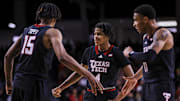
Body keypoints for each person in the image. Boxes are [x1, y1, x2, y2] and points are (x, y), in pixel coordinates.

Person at [4, 2, 103, 101]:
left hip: (18, 82)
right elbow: (62, 57)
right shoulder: (52, 32)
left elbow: (8, 56)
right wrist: (88, 74)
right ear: (55, 18)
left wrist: (9, 83)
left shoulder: (26, 31)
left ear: (39, 16)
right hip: (35, 83)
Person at [52, 22, 137, 101]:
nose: (95, 36)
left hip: (109, 95)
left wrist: (118, 98)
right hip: (90, 95)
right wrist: (61, 87)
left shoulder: (116, 52)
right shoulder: (89, 51)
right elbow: (79, 73)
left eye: (99, 34)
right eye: (94, 34)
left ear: (108, 36)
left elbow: (132, 79)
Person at [123, 4, 175, 101]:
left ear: (145, 19)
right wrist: (135, 77)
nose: (134, 24)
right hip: (147, 84)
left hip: (162, 84)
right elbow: (147, 63)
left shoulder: (162, 33)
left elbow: (149, 56)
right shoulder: (145, 38)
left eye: (136, 20)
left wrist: (130, 53)